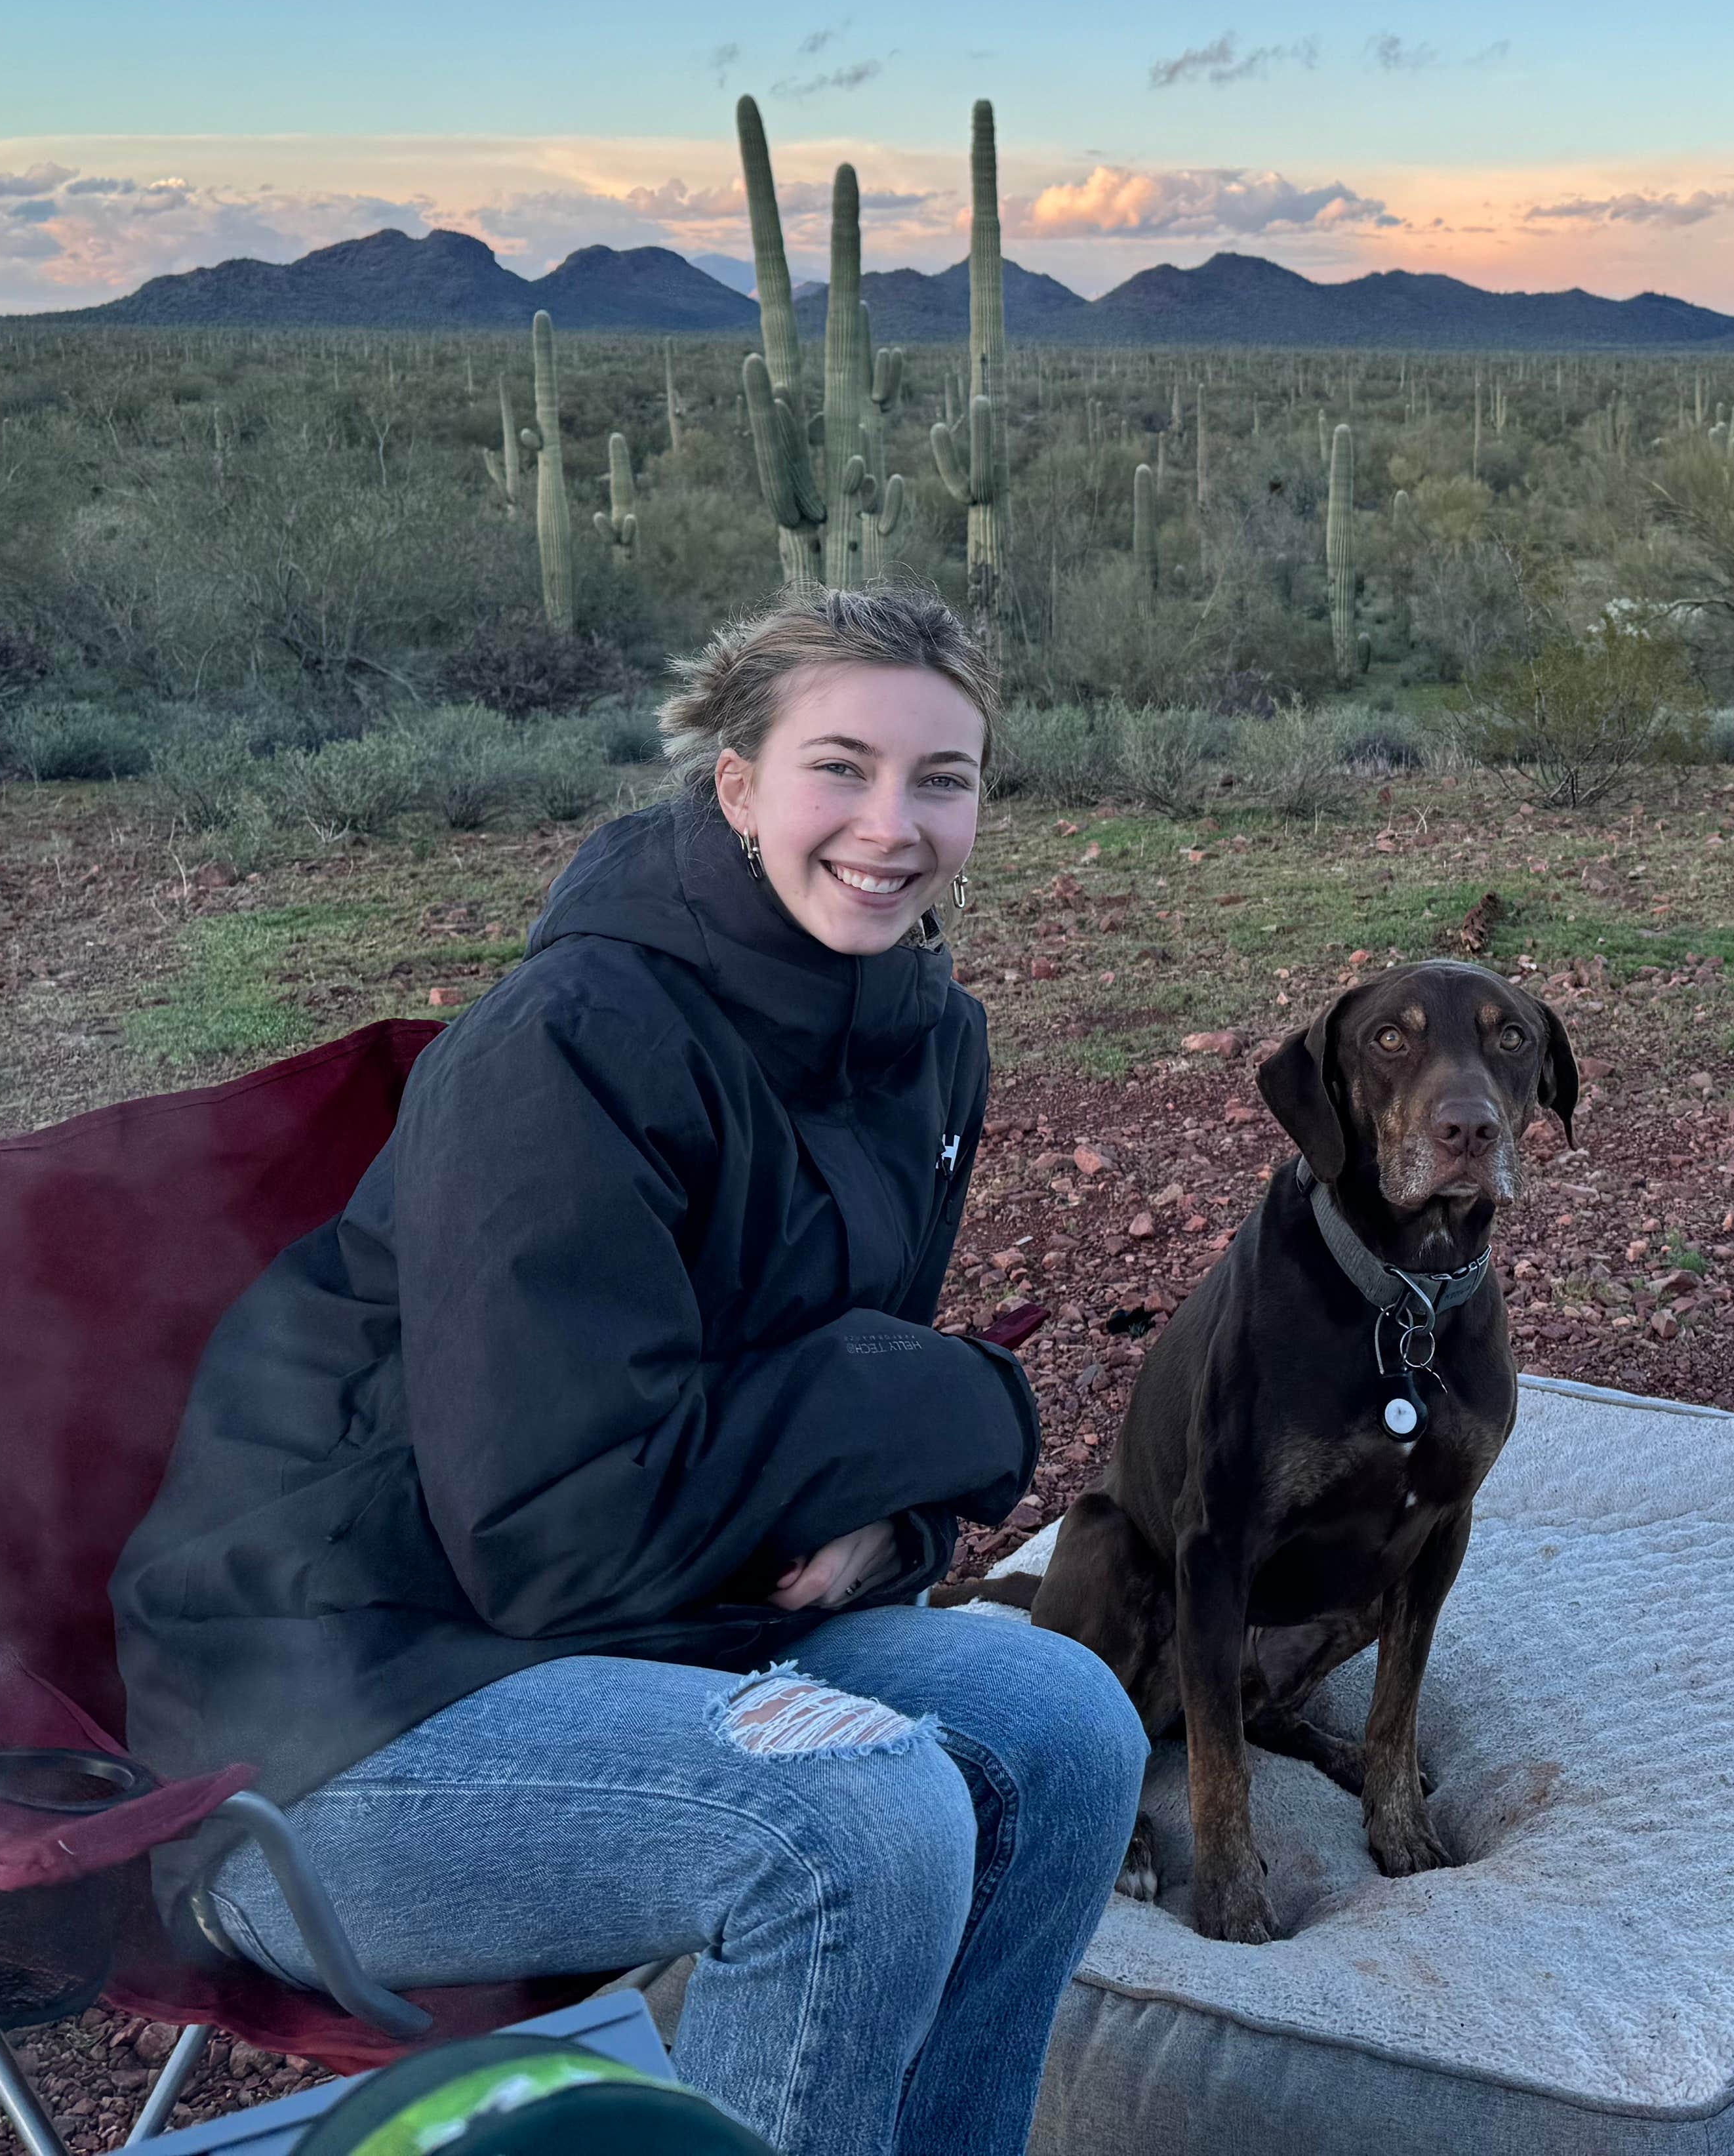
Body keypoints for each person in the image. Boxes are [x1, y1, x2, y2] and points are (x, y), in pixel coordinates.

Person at [113, 589, 1144, 2156]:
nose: (893, 825)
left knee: (1068, 1726)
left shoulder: (924, 1040)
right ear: (736, 785)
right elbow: (559, 1533)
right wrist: (961, 1405)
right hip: (341, 1719)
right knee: (856, 1824)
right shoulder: (570, 1045)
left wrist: (900, 1525)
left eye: (945, 778)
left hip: (665, 1636)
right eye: (840, 767)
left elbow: (823, 1443)